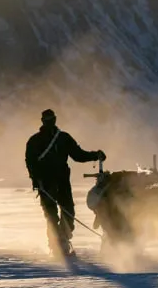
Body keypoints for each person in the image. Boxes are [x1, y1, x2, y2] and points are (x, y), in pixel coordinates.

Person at [24, 109, 105, 258]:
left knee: (67, 212)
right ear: (44, 121)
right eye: (48, 119)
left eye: (50, 119)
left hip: (60, 182)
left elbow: (78, 155)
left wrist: (95, 155)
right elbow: (30, 162)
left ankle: (62, 241)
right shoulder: (39, 140)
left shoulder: (61, 138)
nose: (49, 122)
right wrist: (36, 180)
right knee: (53, 215)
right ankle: (57, 245)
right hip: (46, 183)